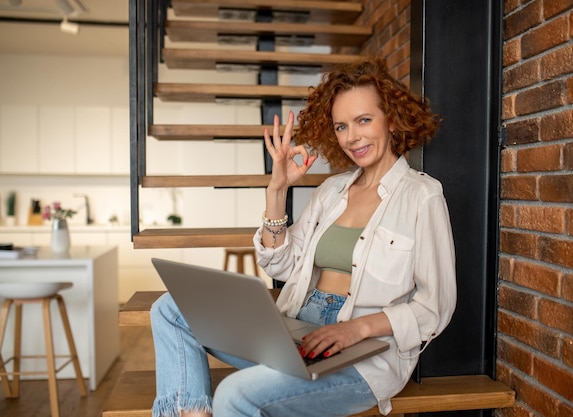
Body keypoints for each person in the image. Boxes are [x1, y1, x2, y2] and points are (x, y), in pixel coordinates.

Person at [150, 56, 457, 417]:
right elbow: (281, 261)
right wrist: (276, 190)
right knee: (170, 309)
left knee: (234, 393)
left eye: (363, 120)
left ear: (391, 119)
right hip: (298, 328)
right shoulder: (332, 191)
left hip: (364, 357)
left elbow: (434, 306)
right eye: (341, 126)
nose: (352, 137)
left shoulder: (422, 196)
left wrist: (355, 329)